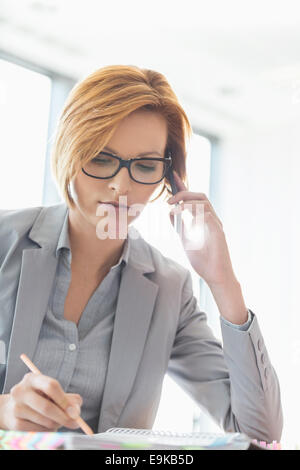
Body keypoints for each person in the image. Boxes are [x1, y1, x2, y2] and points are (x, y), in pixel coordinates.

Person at [0, 65, 282, 441]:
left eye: (145, 166)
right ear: (70, 152)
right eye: (101, 159)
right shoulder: (5, 242)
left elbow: (260, 432)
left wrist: (222, 281)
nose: (122, 186)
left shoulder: (169, 289)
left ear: (169, 179)